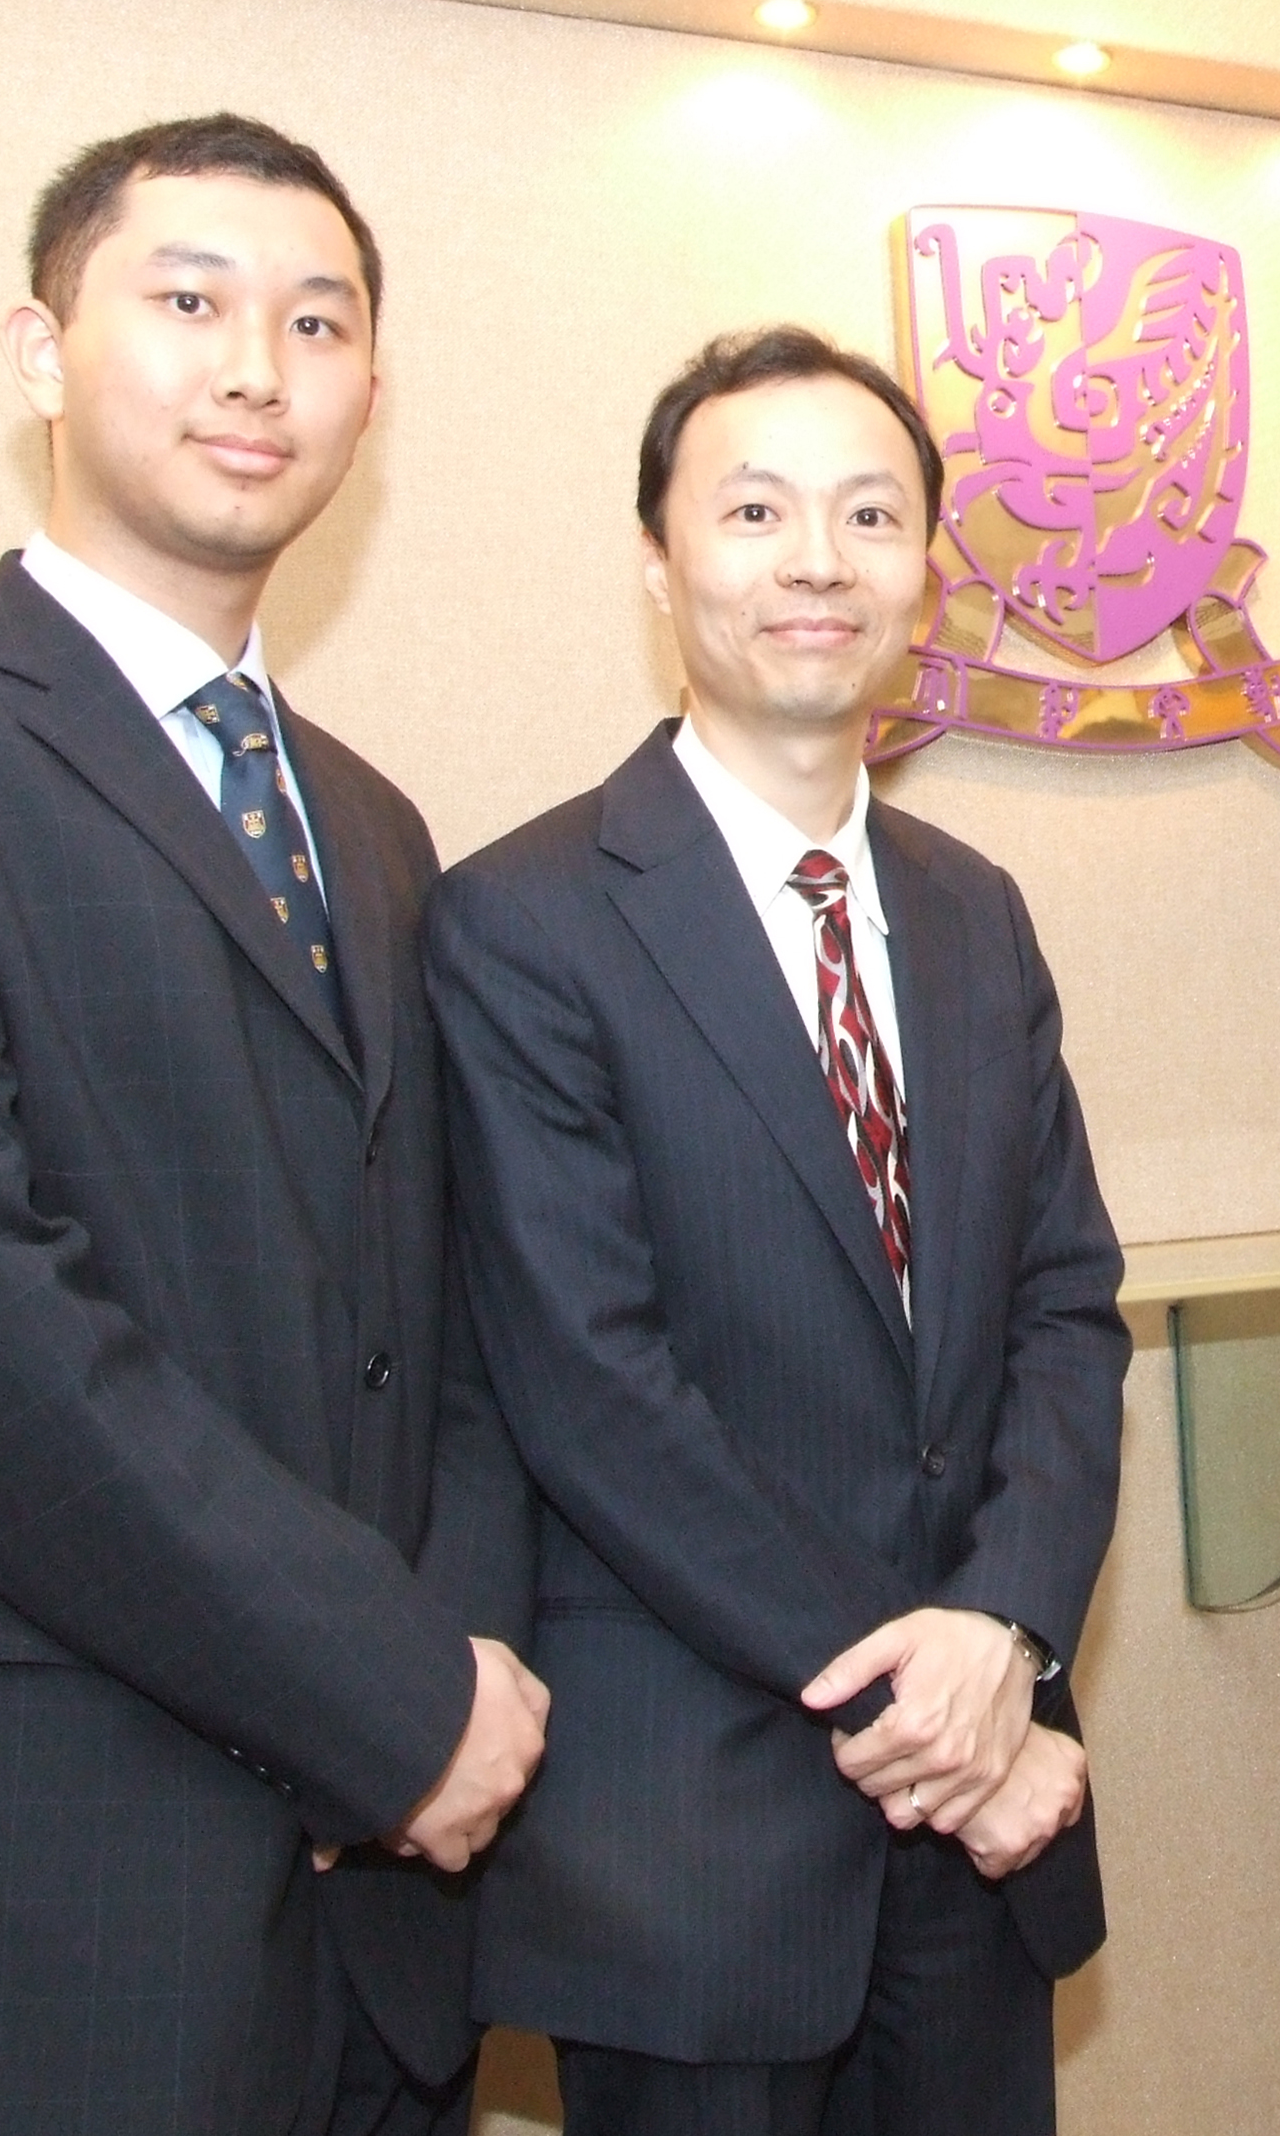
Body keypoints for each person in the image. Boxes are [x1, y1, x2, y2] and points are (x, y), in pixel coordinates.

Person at [0, 114, 547, 2136]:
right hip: (42, 1868)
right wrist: (389, 1699)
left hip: (378, 1904)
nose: (258, 366)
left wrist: (472, 1673)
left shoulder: (373, 824)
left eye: (317, 321)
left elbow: (451, 1330)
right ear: (40, 348)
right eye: (188, 302)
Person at [427, 324, 1130, 2136]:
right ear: (660, 562)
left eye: (869, 513)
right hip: (695, 1840)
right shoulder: (525, 919)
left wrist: (1008, 1626)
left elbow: (1068, 1308)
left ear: (921, 570)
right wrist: (935, 1695)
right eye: (754, 509)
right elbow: (590, 1383)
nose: (816, 558)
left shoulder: (976, 914)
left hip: (974, 1827)